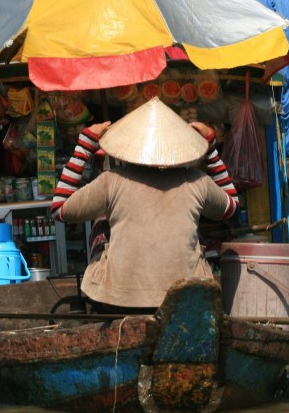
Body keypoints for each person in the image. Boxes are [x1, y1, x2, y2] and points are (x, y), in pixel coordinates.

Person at [50, 97, 239, 311]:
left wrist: (84, 146)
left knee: (101, 226)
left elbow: (60, 209)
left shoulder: (112, 180)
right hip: (186, 297)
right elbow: (231, 206)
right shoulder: (197, 181)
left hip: (119, 300)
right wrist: (212, 152)